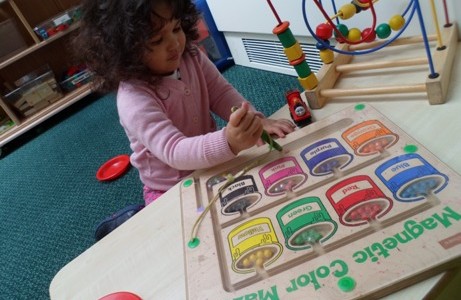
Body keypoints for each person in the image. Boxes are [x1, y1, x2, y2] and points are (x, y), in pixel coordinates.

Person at [75, 0, 295, 239]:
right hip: (169, 186)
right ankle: (134, 217)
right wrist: (229, 142)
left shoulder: (190, 55)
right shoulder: (133, 99)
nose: (174, 44)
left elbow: (221, 94)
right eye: (157, 40)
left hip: (211, 163)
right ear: (125, 51)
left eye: (176, 28)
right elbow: (174, 151)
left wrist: (255, 121)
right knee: (184, 238)